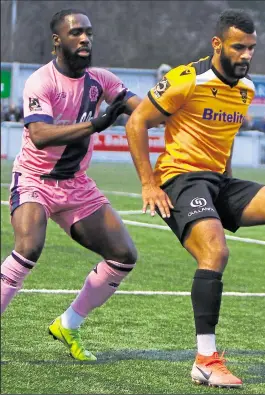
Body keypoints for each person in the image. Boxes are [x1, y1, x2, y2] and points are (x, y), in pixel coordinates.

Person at [125, 9, 265, 388]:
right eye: (238, 47)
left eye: (251, 48)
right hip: (180, 178)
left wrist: (226, 188)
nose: (246, 55)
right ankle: (205, 361)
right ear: (217, 45)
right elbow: (136, 121)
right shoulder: (186, 79)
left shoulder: (247, 90)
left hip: (218, 182)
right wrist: (149, 184)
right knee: (216, 252)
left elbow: (222, 143)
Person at [0, 9, 142, 361]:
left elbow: (144, 111)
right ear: (57, 40)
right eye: (76, 32)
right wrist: (95, 124)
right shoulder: (40, 82)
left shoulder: (101, 80)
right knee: (29, 247)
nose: (85, 39)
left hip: (76, 185)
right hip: (34, 179)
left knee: (124, 256)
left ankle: (69, 323)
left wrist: (173, 101)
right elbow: (40, 134)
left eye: (88, 33)